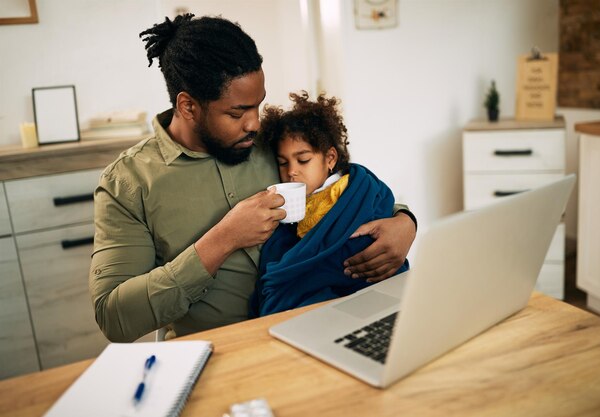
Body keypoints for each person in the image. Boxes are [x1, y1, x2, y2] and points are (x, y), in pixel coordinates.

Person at [89, 13, 417, 342]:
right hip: (220, 353)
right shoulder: (127, 183)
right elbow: (114, 317)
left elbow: (339, 188)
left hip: (320, 330)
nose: (254, 124)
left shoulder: (274, 143)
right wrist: (223, 239)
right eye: (237, 113)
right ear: (188, 106)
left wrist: (403, 221)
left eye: (257, 106)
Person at [249, 92, 410, 317]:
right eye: (283, 163)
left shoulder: (357, 186)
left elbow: (377, 209)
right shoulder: (290, 202)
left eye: (303, 160)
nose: (291, 171)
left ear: (330, 158)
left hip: (364, 283)